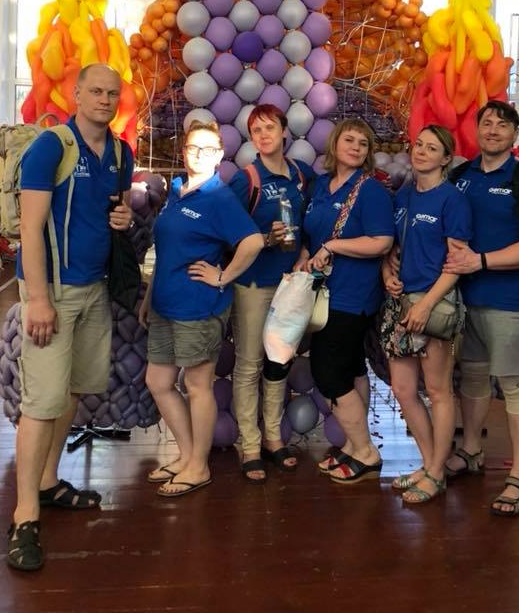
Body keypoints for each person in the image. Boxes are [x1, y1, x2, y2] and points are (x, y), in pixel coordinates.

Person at [7, 64, 134, 572]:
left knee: (73, 391)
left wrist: (123, 216)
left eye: (112, 93)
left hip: (95, 288)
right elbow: (30, 228)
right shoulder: (51, 147)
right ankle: (24, 516)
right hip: (53, 293)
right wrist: (38, 299)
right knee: (40, 403)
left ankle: (46, 481)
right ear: (76, 94)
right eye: (95, 91)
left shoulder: (120, 153)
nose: (104, 99)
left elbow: (114, 211)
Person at [443, 101, 519, 517]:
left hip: (509, 301)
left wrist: (481, 261)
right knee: (472, 377)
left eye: (502, 124)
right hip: (463, 300)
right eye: (486, 123)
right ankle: (471, 451)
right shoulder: (459, 177)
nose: (493, 130)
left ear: (514, 133)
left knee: (514, 383)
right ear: (476, 130)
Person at [139, 120, 263, 498]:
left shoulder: (219, 197)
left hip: (199, 306)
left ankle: (199, 466)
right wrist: (149, 296)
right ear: (184, 151)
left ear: (219, 155)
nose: (199, 155)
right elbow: (168, 251)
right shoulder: (177, 190)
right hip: (164, 302)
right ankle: (187, 454)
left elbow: (253, 242)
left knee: (196, 386)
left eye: (208, 150)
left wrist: (222, 276)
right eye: (193, 148)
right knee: (158, 382)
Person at [380, 125, 472, 504]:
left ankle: (436, 472)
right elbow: (392, 249)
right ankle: (428, 462)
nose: (420, 152)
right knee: (403, 390)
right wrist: (387, 274)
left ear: (446, 158)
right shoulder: (403, 195)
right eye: (418, 144)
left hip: (434, 304)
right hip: (401, 303)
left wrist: (426, 304)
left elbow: (457, 263)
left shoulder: (452, 200)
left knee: (437, 390)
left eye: (432, 148)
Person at [304, 119, 394, 485]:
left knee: (330, 374)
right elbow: (313, 234)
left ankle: (366, 452)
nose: (356, 147)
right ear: (334, 144)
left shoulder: (370, 190)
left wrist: (333, 246)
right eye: (349, 139)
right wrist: (307, 255)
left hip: (351, 296)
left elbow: (382, 241)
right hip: (325, 292)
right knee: (353, 369)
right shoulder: (320, 186)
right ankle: (355, 445)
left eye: (363, 143)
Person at [227, 105, 315, 483]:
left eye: (270, 128)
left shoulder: (302, 175)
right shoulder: (246, 179)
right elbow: (227, 234)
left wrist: (306, 251)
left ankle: (273, 438)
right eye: (256, 130)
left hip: (289, 285)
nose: (263, 135)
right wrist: (265, 238)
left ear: (284, 132)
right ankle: (250, 445)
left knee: (279, 362)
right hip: (252, 285)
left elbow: (316, 221)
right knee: (249, 365)